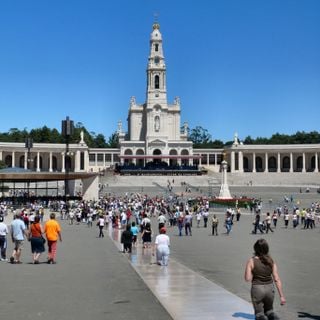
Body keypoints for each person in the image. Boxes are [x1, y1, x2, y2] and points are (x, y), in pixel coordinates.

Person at [245, 239, 286, 320]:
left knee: (259, 314)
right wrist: (282, 296)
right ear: (267, 248)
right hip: (270, 289)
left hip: (257, 289)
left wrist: (253, 271)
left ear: (255, 248)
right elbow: (277, 279)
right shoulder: (271, 261)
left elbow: (247, 279)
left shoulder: (251, 261)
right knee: (269, 311)